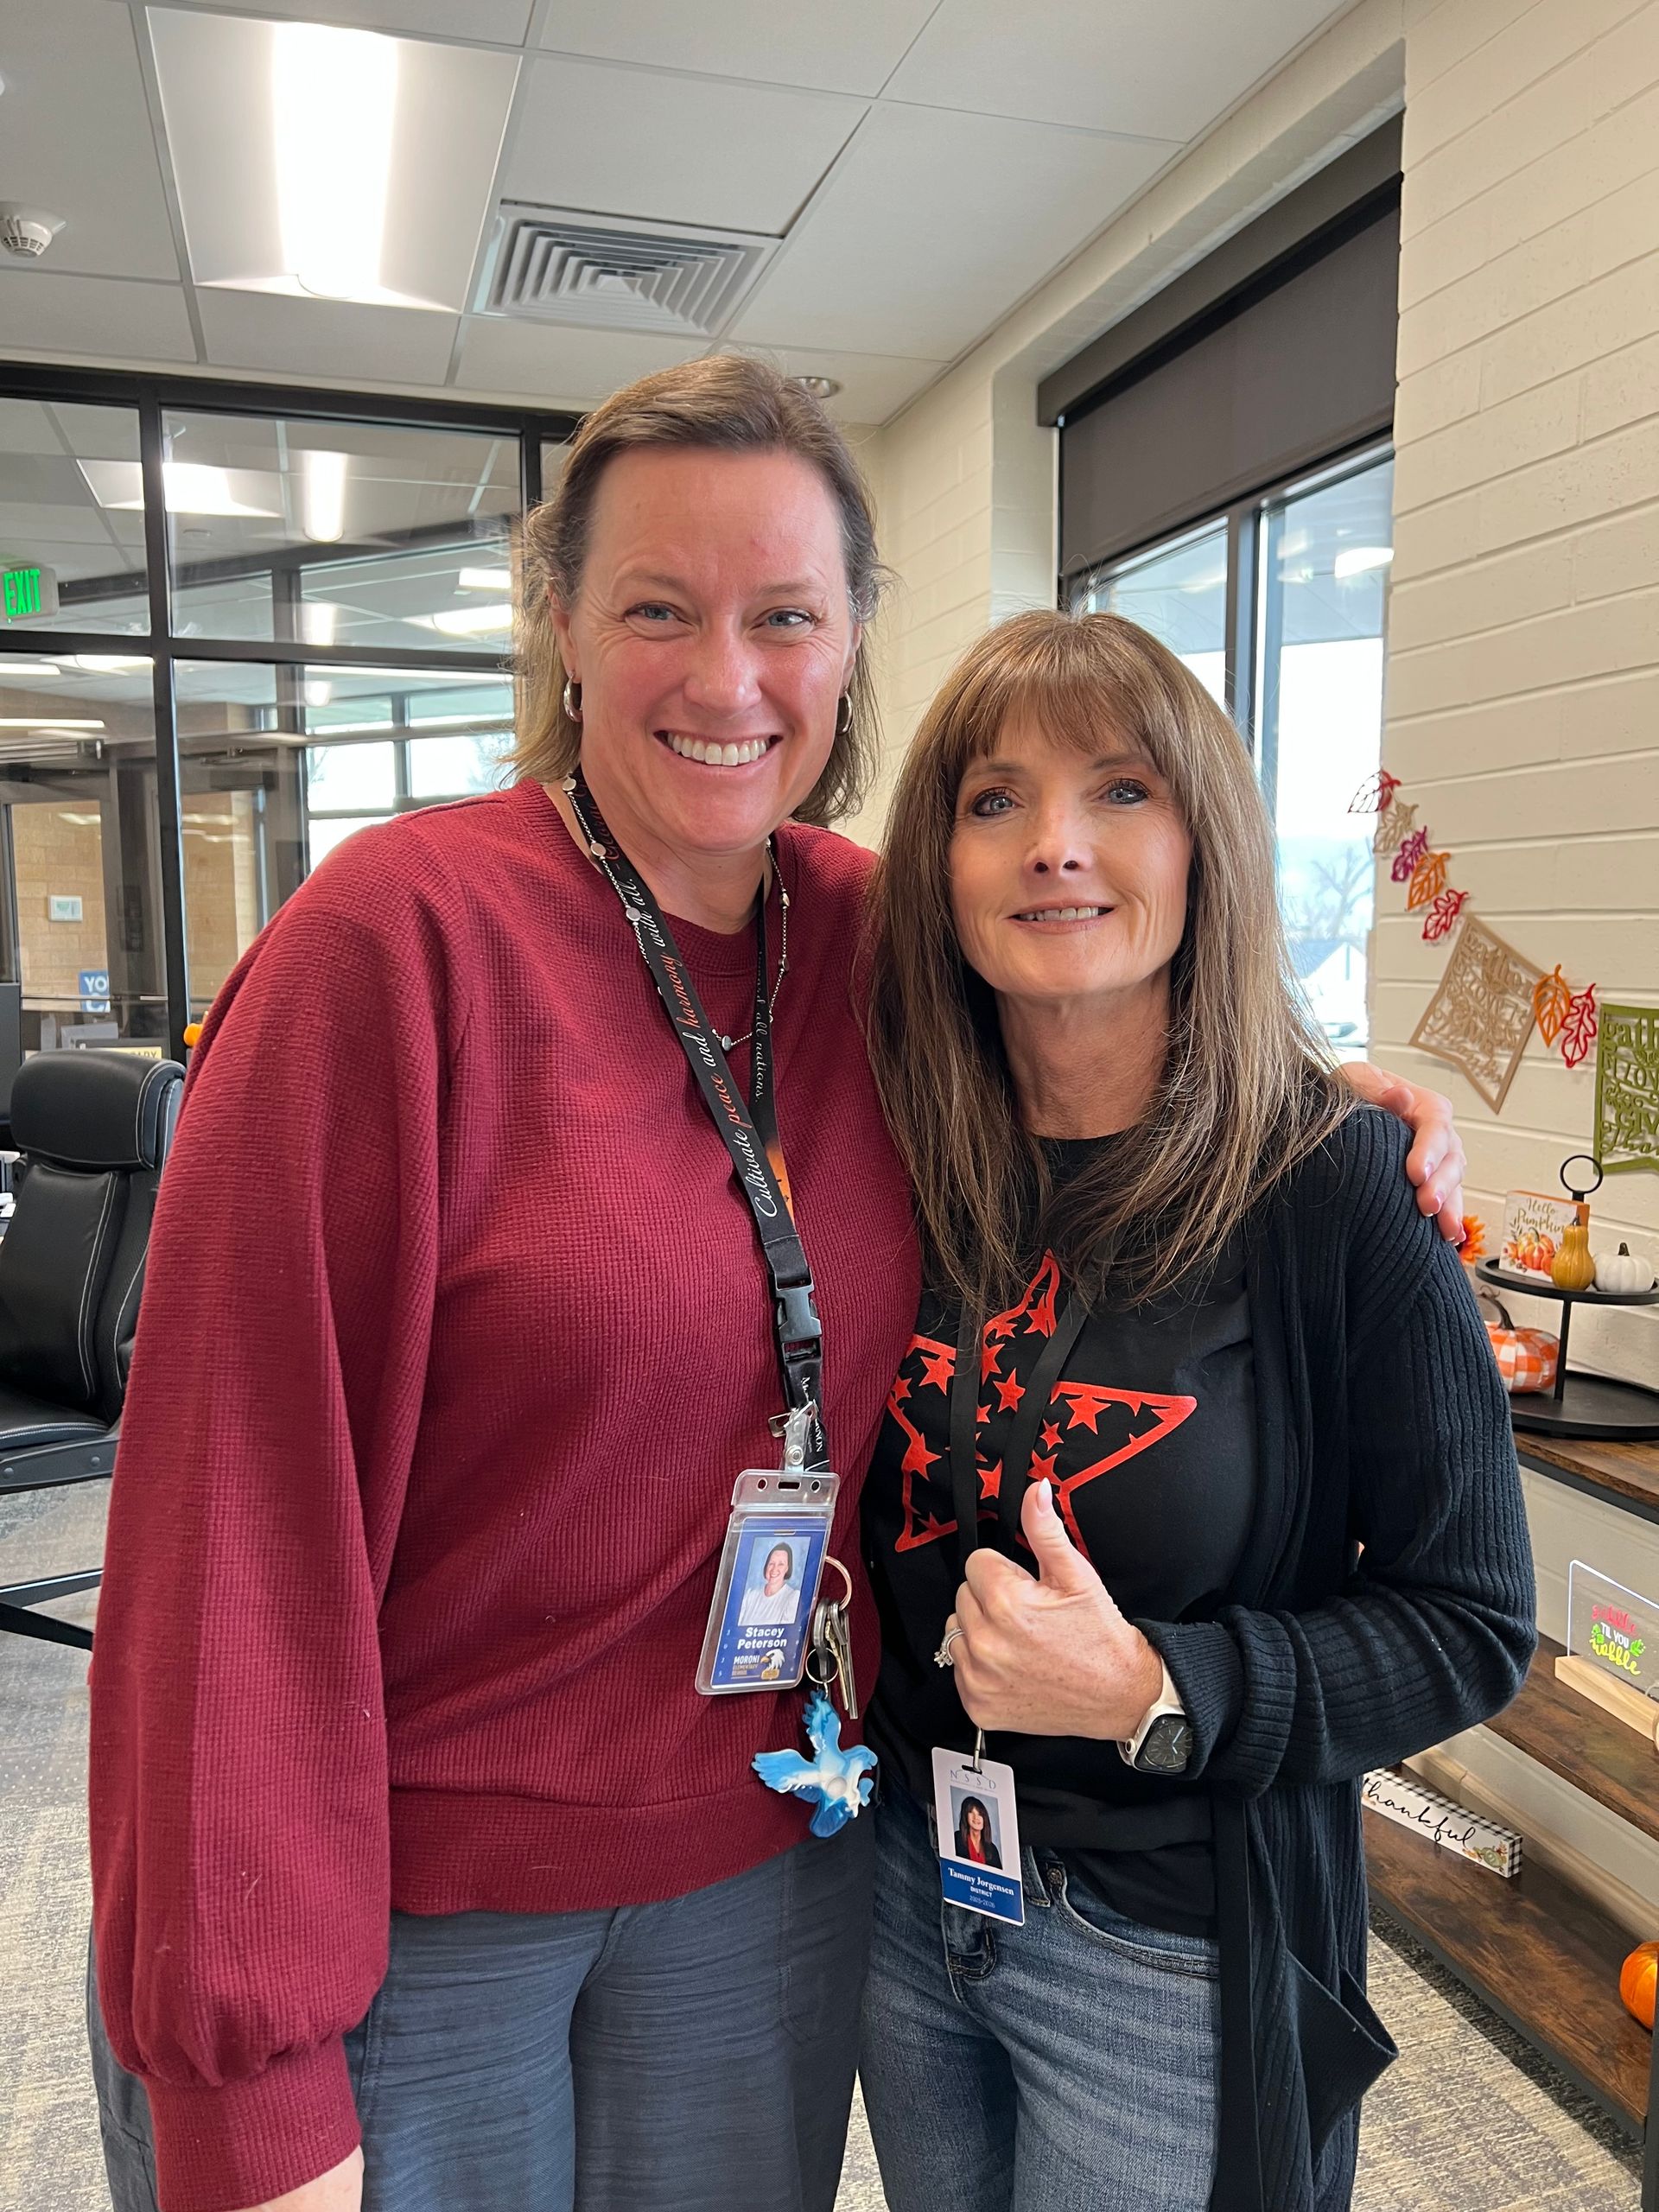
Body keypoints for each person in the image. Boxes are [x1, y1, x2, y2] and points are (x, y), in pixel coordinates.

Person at [85, 356, 1471, 2212]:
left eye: (785, 618)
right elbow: (227, 1528)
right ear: (563, 621)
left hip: (775, 1857)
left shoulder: (879, 944)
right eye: (659, 607)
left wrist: (1345, 1103)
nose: (726, 679)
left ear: (849, 649)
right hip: (427, 1898)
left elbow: (1115, 977)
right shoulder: (392, 944)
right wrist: (247, 2072)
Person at [856, 610, 1535, 2212]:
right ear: (937, 861)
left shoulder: (1333, 1190)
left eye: (1123, 791)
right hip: (903, 1888)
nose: (1057, 849)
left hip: (1165, 1943)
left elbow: (1474, 1624)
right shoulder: (894, 1143)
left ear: (1206, 839)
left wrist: (1161, 1684)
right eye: (994, 801)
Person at [741, 1541, 803, 1626]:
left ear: (787, 1568)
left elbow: (786, 1635)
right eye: (771, 1563)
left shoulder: (793, 1598)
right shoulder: (750, 1596)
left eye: (781, 1564)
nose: (774, 1569)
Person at [954, 1797, 1001, 1869]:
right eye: (971, 1812)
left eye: (980, 1814)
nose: (976, 1817)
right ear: (965, 1816)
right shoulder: (956, 1839)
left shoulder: (992, 1849)